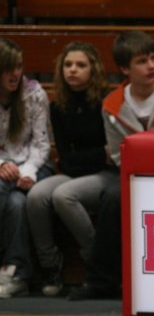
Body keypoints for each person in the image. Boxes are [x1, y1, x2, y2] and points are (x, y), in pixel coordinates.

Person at [68, 30, 154, 301]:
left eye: (153, 58)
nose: (151, 66)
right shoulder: (111, 105)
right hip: (135, 175)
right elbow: (118, 155)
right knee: (112, 197)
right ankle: (102, 282)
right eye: (142, 61)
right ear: (125, 69)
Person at [25, 42, 115, 297]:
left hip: (106, 175)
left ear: (93, 69)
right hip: (75, 172)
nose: (73, 70)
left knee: (63, 195)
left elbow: (112, 156)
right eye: (68, 65)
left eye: (80, 65)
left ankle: (98, 262)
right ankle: (50, 265)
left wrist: (91, 157)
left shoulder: (107, 102)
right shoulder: (59, 106)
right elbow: (66, 159)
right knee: (36, 195)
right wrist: (97, 155)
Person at [0, 38, 53, 298]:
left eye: (19, 66)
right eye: (8, 68)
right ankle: (17, 273)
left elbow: (42, 144)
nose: (15, 74)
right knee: (16, 204)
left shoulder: (34, 94)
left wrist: (28, 170)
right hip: (2, 167)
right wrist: (2, 165)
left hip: (35, 165)